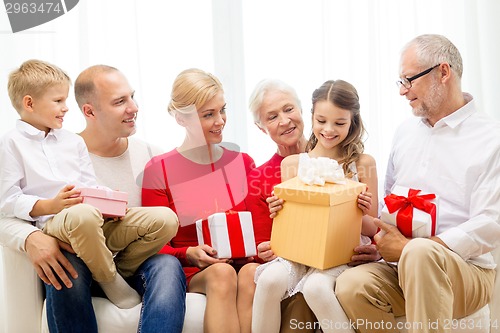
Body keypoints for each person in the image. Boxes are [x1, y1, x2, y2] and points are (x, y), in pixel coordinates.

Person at [335, 34, 500, 333]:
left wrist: (412, 247)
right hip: (402, 266)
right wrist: (383, 245)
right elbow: (389, 202)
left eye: (409, 80)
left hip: (467, 271)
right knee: (351, 285)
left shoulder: (491, 138)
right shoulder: (405, 133)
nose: (402, 91)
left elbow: (492, 222)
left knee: (420, 254)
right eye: (400, 82)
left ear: (443, 72)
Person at [0, 59, 175, 315]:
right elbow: (7, 201)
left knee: (165, 219)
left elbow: (88, 185)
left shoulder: (72, 142)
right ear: (29, 103)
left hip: (91, 222)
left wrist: (108, 199)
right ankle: (108, 279)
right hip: (56, 224)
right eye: (58, 101)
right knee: (82, 214)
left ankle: (118, 272)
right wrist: (51, 205)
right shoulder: (11, 144)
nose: (66, 108)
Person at [251, 79, 378, 333]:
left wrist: (358, 210)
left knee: (316, 288)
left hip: (340, 252)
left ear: (352, 121)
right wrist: (279, 211)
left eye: (339, 123)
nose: (329, 130)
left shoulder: (363, 163)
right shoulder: (293, 164)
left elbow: (372, 228)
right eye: (321, 121)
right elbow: (290, 223)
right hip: (301, 252)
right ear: (311, 117)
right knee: (268, 280)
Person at [141, 68, 256, 333]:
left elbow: (258, 227)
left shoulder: (243, 163)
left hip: (242, 264)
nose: (220, 121)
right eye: (208, 115)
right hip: (195, 270)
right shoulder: (159, 170)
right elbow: (154, 247)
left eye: (222, 110)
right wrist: (190, 254)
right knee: (222, 273)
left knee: (250, 273)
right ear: (182, 118)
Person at [74, 64, 187, 333]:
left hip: (135, 264)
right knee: (68, 268)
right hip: (85, 263)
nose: (134, 107)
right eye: (120, 102)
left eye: (132, 96)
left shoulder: (151, 154)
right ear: (89, 111)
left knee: (168, 265)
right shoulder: (64, 155)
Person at [245, 78, 316, 333]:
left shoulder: (336, 156)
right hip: (289, 266)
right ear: (261, 127)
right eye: (272, 117)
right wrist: (264, 250)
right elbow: (262, 244)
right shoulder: (257, 178)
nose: (285, 121)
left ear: (302, 110)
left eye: (289, 109)